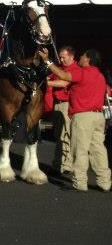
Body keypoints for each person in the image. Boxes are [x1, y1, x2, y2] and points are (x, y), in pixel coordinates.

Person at [41, 48, 110, 192]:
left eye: (83, 55)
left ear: (88, 59)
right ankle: (104, 182)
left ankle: (79, 182)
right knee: (98, 149)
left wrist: (47, 61)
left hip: (83, 116)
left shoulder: (82, 72)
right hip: (98, 116)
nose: (81, 57)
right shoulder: (100, 76)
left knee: (80, 149)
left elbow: (62, 75)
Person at [45, 45, 78, 176]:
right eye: (60, 57)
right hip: (57, 104)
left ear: (71, 57)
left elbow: (64, 83)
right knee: (59, 135)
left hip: (66, 105)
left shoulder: (75, 69)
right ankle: (59, 164)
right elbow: (51, 76)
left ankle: (65, 165)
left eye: (64, 57)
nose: (61, 59)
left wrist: (46, 82)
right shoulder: (60, 68)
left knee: (65, 135)